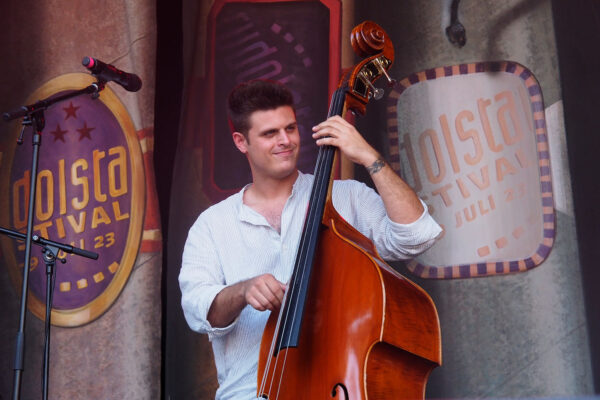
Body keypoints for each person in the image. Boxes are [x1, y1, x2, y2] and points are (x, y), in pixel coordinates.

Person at [179, 79, 442, 399]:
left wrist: (369, 157)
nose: (285, 140)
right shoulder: (212, 225)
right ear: (240, 141)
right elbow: (198, 310)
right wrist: (243, 290)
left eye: (290, 128)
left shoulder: (346, 198)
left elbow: (417, 235)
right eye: (269, 133)